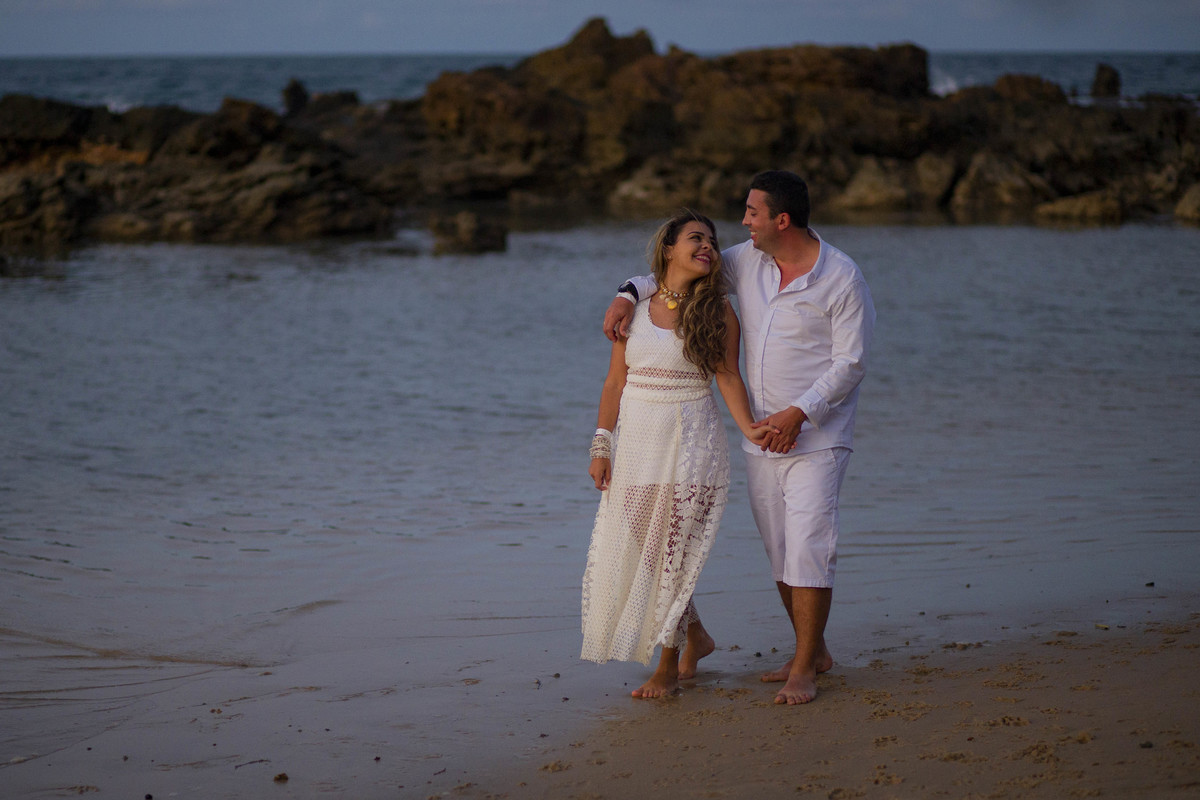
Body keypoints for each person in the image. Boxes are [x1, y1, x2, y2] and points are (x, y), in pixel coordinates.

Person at [602, 171, 875, 705]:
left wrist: (801, 412)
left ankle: (804, 669)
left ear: (781, 220)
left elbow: (852, 362)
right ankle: (814, 649)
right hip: (760, 434)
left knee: (809, 544)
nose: (743, 221)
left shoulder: (842, 277)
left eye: (752, 212)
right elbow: (674, 272)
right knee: (780, 549)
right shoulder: (746, 261)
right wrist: (626, 294)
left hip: (818, 433)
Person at [582, 209, 769, 699]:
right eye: (695, 238)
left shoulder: (717, 312)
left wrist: (750, 428)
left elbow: (728, 376)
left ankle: (666, 666)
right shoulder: (635, 308)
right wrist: (602, 443)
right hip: (636, 444)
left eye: (712, 240)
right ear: (668, 248)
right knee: (650, 552)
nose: (707, 246)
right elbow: (614, 382)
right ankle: (697, 635)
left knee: (672, 554)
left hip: (692, 442)